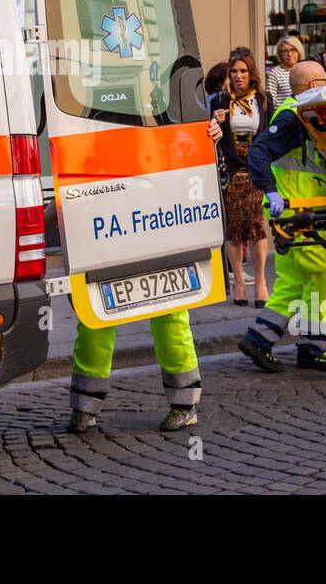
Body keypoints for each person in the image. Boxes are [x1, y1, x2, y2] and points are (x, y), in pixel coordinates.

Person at [67, 117, 225, 434]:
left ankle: (184, 405)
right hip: (112, 237)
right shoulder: (92, 138)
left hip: (155, 231)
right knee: (96, 322)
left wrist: (210, 140)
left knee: (170, 318)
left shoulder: (163, 128)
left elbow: (190, 164)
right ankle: (85, 407)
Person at [236, 60, 326, 373]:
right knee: (321, 277)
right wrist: (270, 191)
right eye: (325, 81)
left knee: (293, 280)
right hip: (300, 211)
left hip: (292, 210)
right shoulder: (297, 114)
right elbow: (259, 152)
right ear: (313, 87)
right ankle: (313, 347)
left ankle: (259, 338)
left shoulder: (297, 112)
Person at [211, 51, 271, 306]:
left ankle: (260, 281)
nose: (238, 76)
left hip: (256, 170)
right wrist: (216, 123)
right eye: (234, 71)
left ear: (251, 73)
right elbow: (210, 136)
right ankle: (237, 281)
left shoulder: (263, 100)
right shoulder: (219, 100)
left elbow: (269, 133)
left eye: (243, 71)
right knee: (234, 229)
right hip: (232, 171)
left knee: (257, 227)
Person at [267, 34, 304, 106]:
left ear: (299, 51)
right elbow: (270, 103)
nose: (289, 54)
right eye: (285, 51)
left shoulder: (304, 70)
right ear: (280, 54)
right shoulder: (275, 73)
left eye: (293, 50)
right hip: (284, 115)